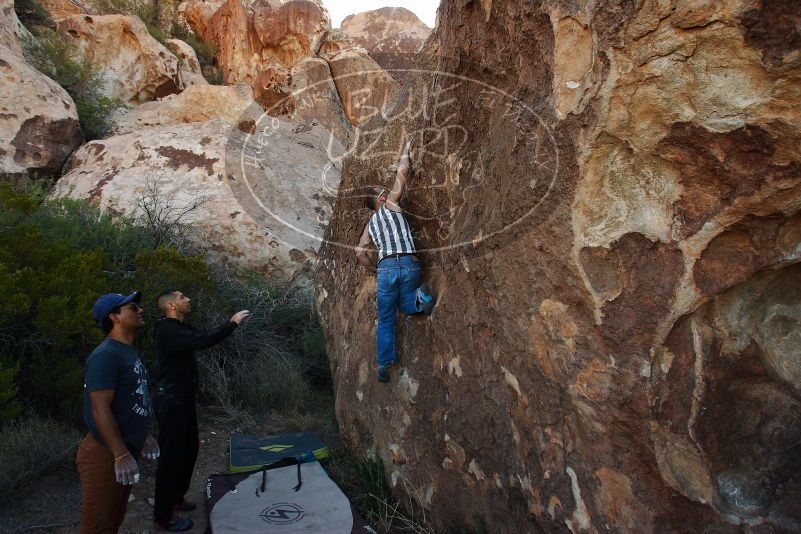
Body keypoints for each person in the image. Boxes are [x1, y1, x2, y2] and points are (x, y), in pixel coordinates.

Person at [152, 290, 250, 531]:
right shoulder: (168, 329)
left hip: (181, 399)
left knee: (188, 448)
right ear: (172, 305)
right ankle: (163, 516)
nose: (188, 299)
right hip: (171, 401)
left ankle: (176, 497)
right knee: (172, 456)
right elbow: (203, 341)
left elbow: (200, 336)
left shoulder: (179, 328)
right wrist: (232, 324)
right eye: (183, 297)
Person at [78, 291, 160, 534]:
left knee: (114, 520)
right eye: (133, 307)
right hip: (104, 453)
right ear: (114, 317)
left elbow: (130, 401)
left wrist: (143, 435)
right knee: (98, 527)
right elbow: (99, 409)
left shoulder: (126, 351)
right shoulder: (106, 355)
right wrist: (121, 454)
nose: (140, 310)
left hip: (121, 449)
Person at [356, 139, 435, 382]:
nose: (385, 190)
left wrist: (374, 270)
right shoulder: (391, 204)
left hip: (386, 269)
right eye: (382, 190)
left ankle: (383, 364)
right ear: (380, 199)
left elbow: (359, 252)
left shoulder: (370, 225)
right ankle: (420, 300)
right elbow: (402, 173)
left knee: (388, 316)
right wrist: (405, 151)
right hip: (410, 264)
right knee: (406, 301)